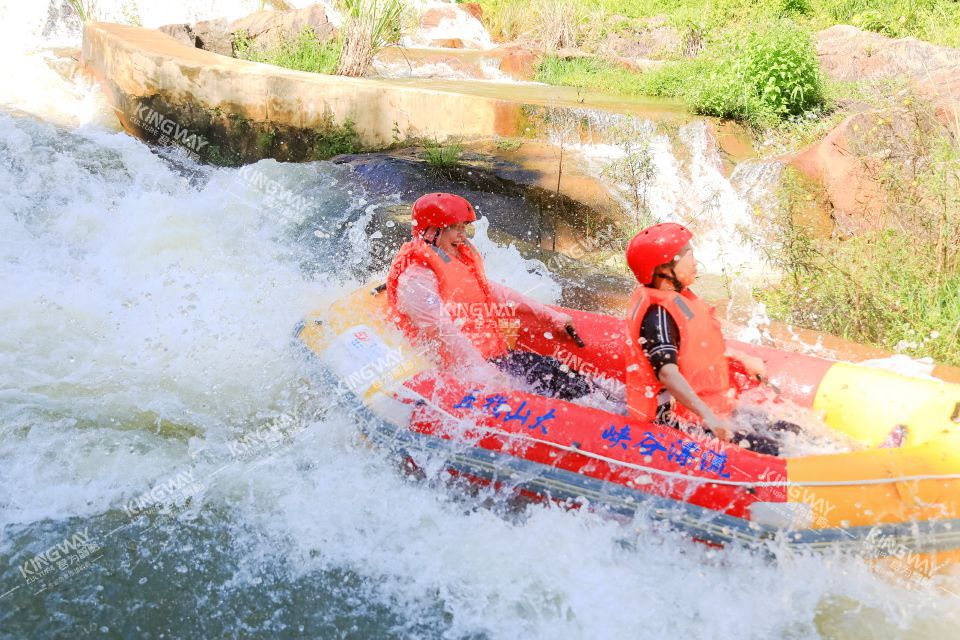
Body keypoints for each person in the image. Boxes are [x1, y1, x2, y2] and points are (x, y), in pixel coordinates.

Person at [385, 192, 592, 400]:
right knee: (552, 383)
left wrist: (550, 316)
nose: (462, 235)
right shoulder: (415, 279)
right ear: (431, 232)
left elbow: (496, 294)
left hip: (493, 357)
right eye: (455, 228)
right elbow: (440, 330)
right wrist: (484, 373)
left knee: (562, 374)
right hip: (464, 374)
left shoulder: (456, 261)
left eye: (463, 227)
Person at [623, 222, 797, 454]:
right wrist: (709, 417)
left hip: (710, 409)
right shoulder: (658, 315)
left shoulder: (679, 299)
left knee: (791, 432)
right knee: (778, 450)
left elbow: (697, 348)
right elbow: (667, 373)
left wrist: (742, 357)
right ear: (664, 267)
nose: (696, 262)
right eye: (688, 255)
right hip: (678, 421)